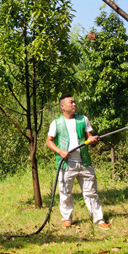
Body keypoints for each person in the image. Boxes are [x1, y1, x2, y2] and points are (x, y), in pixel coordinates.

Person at [46, 94, 110, 230]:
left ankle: (99, 219)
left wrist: (93, 140)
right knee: (65, 192)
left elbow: (89, 137)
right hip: (66, 163)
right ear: (62, 106)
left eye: (74, 102)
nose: (74, 104)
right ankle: (66, 219)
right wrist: (60, 151)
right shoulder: (56, 123)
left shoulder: (83, 119)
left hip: (84, 162)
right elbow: (49, 141)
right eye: (71, 102)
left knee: (91, 192)